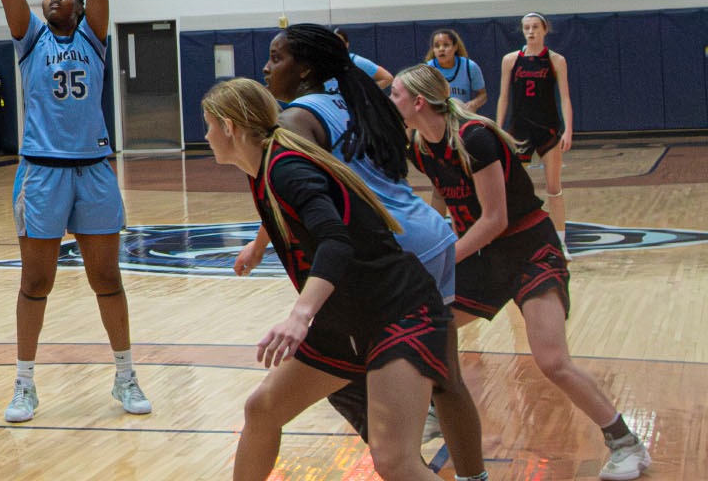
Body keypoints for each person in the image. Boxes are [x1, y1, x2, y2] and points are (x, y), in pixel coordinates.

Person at [392, 65, 651, 481]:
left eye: (396, 95)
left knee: (552, 360)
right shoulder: (420, 144)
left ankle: (627, 444)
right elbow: (443, 191)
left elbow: (495, 219)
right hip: (485, 257)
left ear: (418, 102)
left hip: (529, 248)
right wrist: (433, 234)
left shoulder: (475, 138)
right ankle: (436, 407)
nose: (392, 102)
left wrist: (444, 257)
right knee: (424, 323)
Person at [257, 24, 484, 474]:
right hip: (431, 233)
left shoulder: (296, 120)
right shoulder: (353, 99)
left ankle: (401, 460)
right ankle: (471, 474)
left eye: (277, 58)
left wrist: (263, 240)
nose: (266, 67)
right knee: (447, 379)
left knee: (332, 364)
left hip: (393, 250)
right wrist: (257, 242)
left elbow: (300, 195)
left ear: (304, 69)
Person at [199, 78, 447, 481]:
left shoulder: (286, 168)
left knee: (395, 461)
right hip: (349, 316)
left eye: (209, 124)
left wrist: (300, 315)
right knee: (262, 409)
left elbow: (335, 241)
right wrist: (259, 245)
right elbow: (294, 212)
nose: (205, 135)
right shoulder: (264, 166)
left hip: (397, 310)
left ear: (230, 128)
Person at [0, 0, 150, 423]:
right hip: (42, 174)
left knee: (107, 280)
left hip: (93, 170)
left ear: (77, 4)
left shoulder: (94, 36)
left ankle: (125, 376)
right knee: (36, 282)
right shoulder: (29, 39)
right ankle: (24, 384)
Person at [496, 12, 575, 241]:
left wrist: (568, 129)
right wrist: (497, 128)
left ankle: (560, 242)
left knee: (554, 188)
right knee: (516, 188)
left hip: (547, 129)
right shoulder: (510, 60)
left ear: (544, 30)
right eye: (526, 28)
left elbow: (566, 98)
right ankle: (518, 239)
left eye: (535, 27)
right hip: (519, 130)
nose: (530, 32)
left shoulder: (556, 60)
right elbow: (503, 97)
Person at [424, 29, 488, 111]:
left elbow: (483, 95)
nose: (441, 49)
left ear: (455, 47)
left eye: (446, 45)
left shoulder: (470, 66)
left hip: (462, 115)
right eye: (437, 46)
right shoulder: (427, 69)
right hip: (437, 117)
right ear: (433, 49)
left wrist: (473, 104)